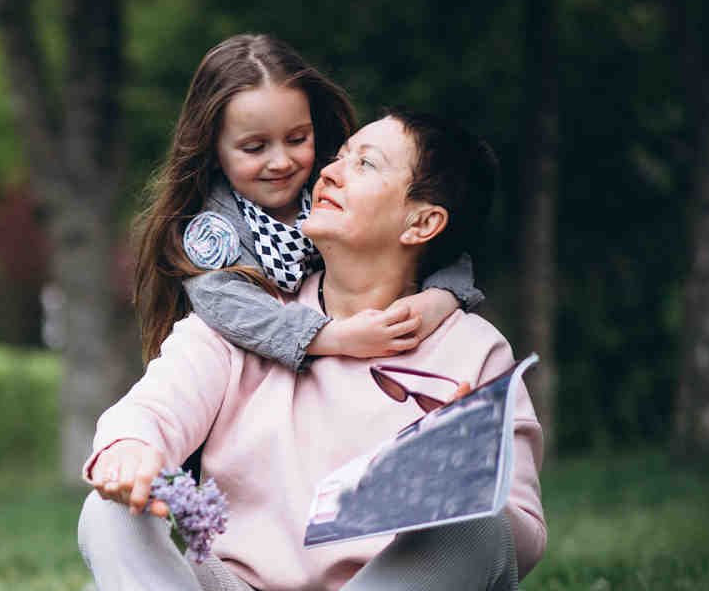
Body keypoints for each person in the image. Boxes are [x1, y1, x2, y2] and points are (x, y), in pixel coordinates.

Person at [78, 108, 546, 591]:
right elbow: (150, 409)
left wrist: (437, 488)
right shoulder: (245, 318)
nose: (328, 169)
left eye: (366, 163)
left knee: (477, 528)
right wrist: (130, 449)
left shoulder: (473, 349)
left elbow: (521, 539)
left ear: (422, 223)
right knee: (107, 512)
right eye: (342, 154)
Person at [133, 34, 484, 373]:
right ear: (212, 152)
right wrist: (330, 337)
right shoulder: (212, 232)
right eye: (255, 148)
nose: (282, 161)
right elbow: (227, 305)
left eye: (297, 139)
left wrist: (441, 298)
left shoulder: (331, 182)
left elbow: (446, 247)